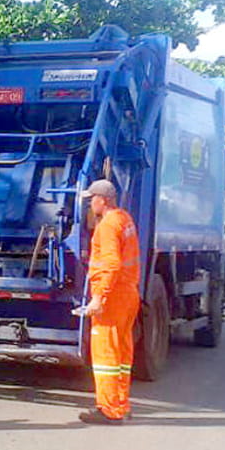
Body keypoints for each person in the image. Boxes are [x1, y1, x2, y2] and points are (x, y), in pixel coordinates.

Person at [78, 179, 140, 425]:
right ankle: (121, 403)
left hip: (112, 297)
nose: (90, 203)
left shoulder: (106, 226)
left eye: (91, 199)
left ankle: (109, 410)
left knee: (105, 354)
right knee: (122, 352)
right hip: (127, 293)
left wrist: (99, 296)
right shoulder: (125, 219)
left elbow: (112, 264)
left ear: (102, 199)